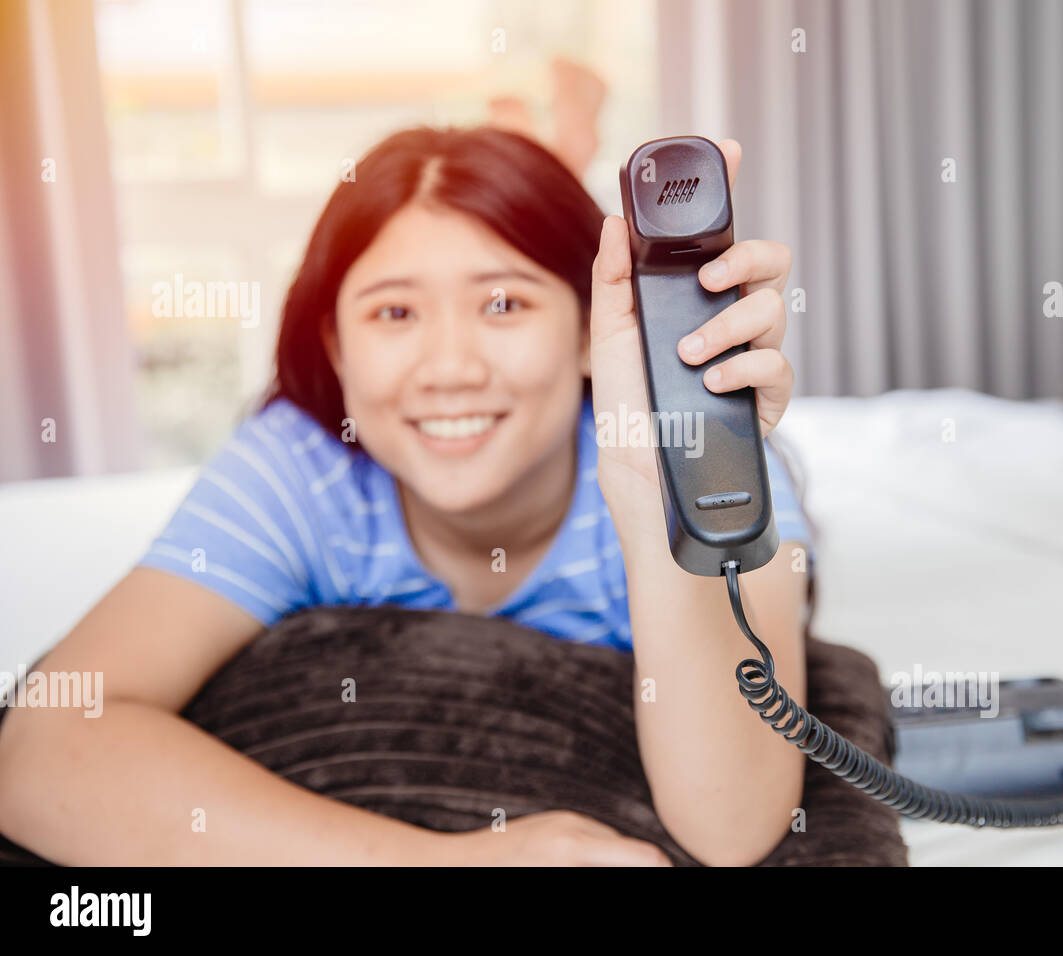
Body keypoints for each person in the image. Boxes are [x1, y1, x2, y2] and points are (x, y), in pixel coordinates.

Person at [0, 126, 813, 866]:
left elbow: (731, 828)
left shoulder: (709, 464)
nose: (449, 365)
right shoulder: (303, 465)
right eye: (394, 312)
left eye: (504, 303)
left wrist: (654, 506)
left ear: (585, 332)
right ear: (336, 346)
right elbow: (42, 751)